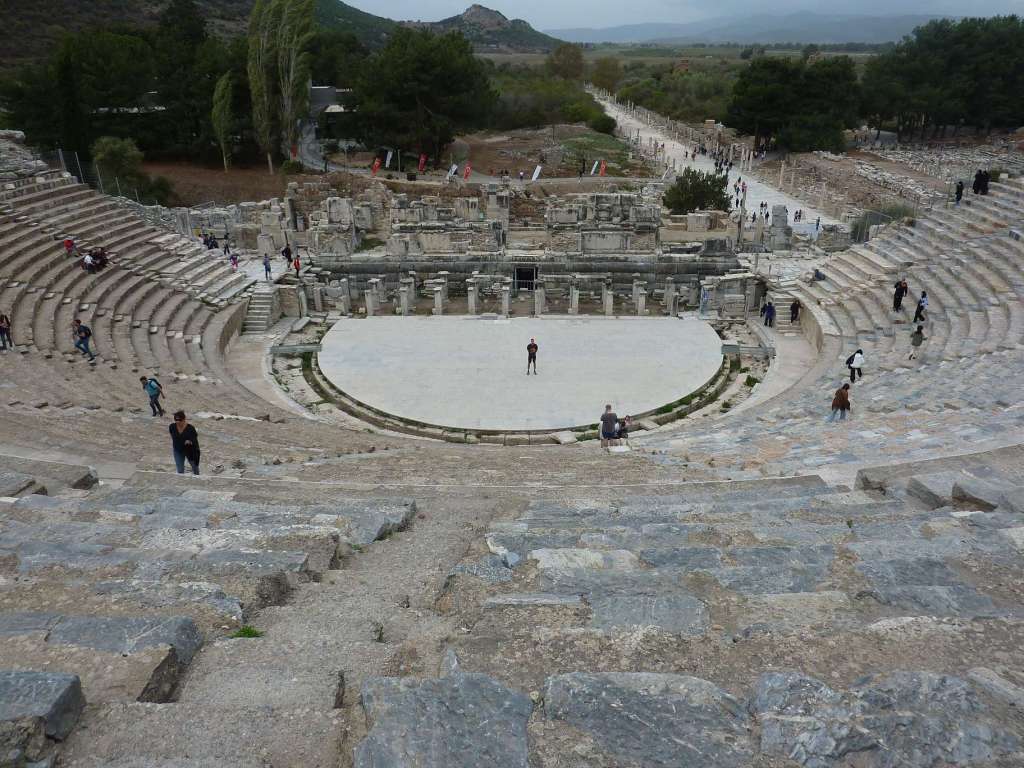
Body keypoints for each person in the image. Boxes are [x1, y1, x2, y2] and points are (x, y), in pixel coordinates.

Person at [169, 410, 200, 475]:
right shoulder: (172, 427)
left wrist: (190, 441)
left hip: (190, 450)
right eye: (176, 420)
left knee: (195, 467)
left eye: (179, 420)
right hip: (178, 450)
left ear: (184, 419)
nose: (178, 422)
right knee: (180, 470)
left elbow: (195, 440)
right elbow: (172, 436)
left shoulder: (190, 428)